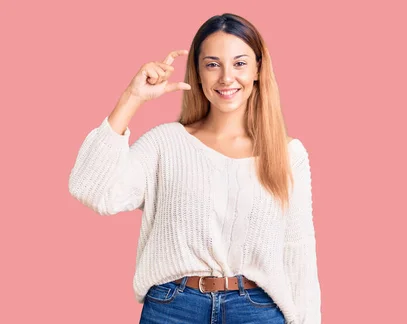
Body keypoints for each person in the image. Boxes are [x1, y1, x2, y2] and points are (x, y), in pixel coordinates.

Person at [68, 13, 321, 324]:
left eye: (239, 63)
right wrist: (132, 98)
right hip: (173, 308)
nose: (227, 78)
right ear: (198, 73)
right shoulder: (166, 144)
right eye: (213, 64)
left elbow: (298, 252)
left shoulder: (288, 154)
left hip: (257, 311)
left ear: (258, 69)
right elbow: (93, 189)